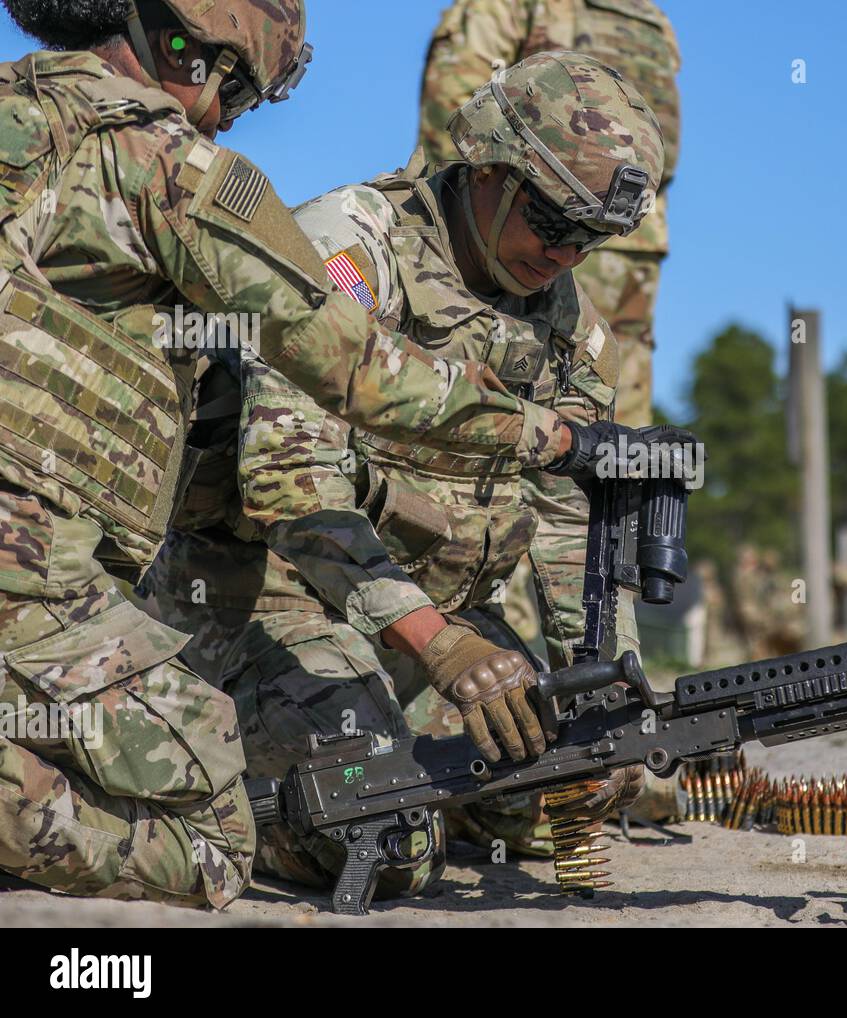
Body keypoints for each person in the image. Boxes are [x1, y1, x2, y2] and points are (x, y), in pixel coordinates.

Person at [0, 0, 597, 909]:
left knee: (514, 771)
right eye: (239, 92)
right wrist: (543, 435)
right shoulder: (171, 167)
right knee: (215, 833)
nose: (227, 119)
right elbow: (344, 356)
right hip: (37, 580)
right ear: (192, 52)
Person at [148, 50, 683, 893]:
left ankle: (423, 763)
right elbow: (290, 477)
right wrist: (441, 643)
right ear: (488, 170)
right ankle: (161, 789)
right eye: (551, 222)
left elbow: (571, 519)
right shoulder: (348, 249)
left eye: (590, 237)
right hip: (262, 605)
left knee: (546, 798)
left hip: (428, 636)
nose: (565, 255)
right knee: (378, 836)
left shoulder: (562, 324)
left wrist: (598, 685)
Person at [419, 0, 680, 429]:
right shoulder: (648, 16)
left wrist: (438, 218)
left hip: (526, 225)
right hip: (629, 244)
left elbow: (455, 118)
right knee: (611, 431)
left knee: (473, 395)